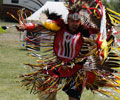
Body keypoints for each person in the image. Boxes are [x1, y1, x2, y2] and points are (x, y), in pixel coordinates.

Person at [16, 0, 120, 100]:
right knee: (45, 95)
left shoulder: (86, 33)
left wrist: (101, 52)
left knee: (73, 98)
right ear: (68, 20)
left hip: (76, 71)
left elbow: (100, 43)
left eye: (77, 21)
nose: (74, 23)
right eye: (72, 21)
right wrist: (26, 27)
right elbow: (41, 26)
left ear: (80, 21)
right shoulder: (59, 27)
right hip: (57, 67)